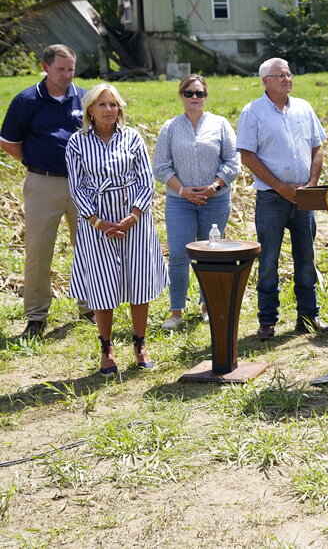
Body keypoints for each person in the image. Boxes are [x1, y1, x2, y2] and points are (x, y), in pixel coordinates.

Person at [66, 83, 167, 374]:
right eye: (102, 105)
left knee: (139, 281)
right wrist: (97, 220)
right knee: (102, 284)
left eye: (113, 105)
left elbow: (146, 180)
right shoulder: (77, 142)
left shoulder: (133, 138)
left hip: (134, 219)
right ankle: (107, 348)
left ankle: (139, 343)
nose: (109, 110)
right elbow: (76, 185)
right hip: (96, 223)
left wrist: (133, 215)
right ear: (90, 110)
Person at [0, 44, 93, 339]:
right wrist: (32, 161)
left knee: (89, 247)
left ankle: (90, 306)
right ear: (45, 67)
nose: (67, 75)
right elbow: (8, 141)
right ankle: (37, 316)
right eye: (61, 69)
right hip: (44, 183)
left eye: (71, 69)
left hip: (84, 184)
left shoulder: (85, 98)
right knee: (39, 251)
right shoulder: (27, 100)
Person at [236, 57, 328, 339]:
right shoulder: (252, 112)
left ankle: (308, 315)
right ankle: (268, 320)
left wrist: (312, 184)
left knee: (306, 258)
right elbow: (247, 155)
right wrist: (280, 187)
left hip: (304, 198)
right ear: (265, 80)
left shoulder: (303, 108)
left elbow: (317, 147)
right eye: (280, 75)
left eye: (289, 74)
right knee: (268, 261)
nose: (287, 79)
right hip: (271, 199)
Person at [153, 74, 240, 330]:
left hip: (215, 200)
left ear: (206, 96)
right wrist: (183, 191)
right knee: (180, 254)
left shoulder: (221, 124)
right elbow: (160, 167)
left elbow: (232, 163)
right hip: (180, 202)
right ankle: (176, 311)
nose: (194, 98)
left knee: (210, 255)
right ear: (181, 95)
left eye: (199, 93)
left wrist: (214, 187)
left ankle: (208, 306)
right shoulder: (170, 127)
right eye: (189, 93)